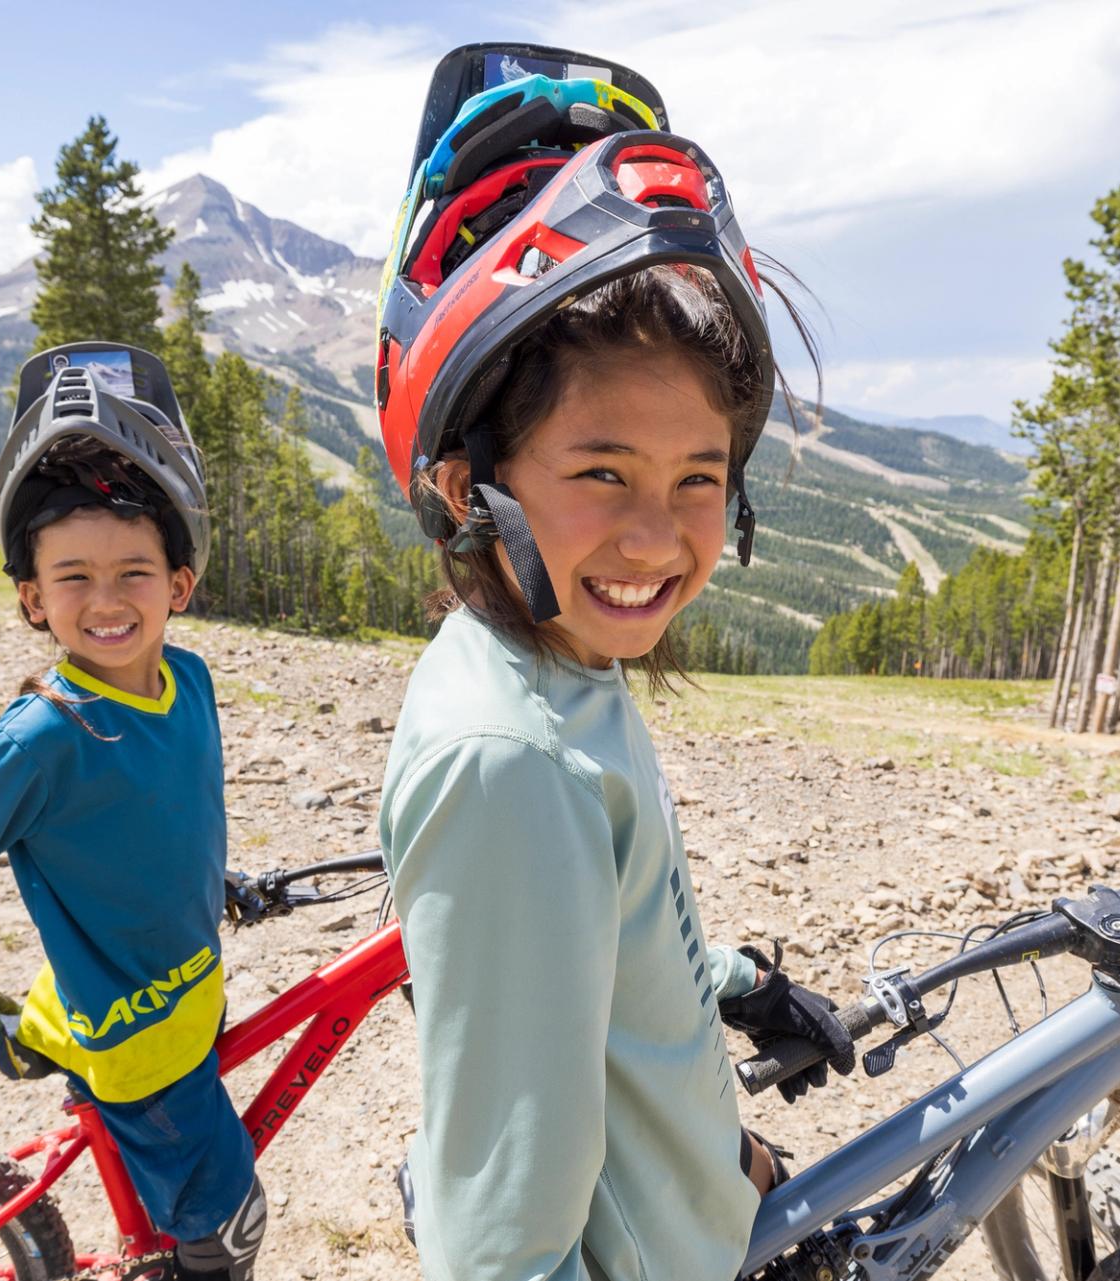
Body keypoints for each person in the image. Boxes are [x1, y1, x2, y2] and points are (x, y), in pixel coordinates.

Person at [374, 51, 855, 1281]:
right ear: (464, 484)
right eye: (602, 473)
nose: (658, 536)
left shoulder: (563, 668)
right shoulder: (511, 760)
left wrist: (735, 989)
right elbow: (501, 1239)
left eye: (699, 477)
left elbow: (600, 944)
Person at [0, 343, 264, 1281]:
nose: (106, 599)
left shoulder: (185, 679)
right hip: (137, 1037)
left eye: (135, 572)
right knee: (228, 1230)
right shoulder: (47, 734)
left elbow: (161, 812)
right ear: (32, 598)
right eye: (73, 575)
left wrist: (214, 883)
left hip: (173, 988)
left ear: (181, 586)